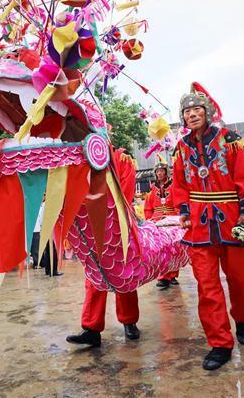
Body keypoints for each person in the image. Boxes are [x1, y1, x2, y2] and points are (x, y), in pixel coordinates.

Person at [168, 84, 244, 371]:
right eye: (187, 111)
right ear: (183, 118)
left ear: (207, 113)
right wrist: (182, 209)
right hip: (199, 224)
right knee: (207, 286)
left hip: (231, 220)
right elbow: (179, 183)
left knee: (240, 281)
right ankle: (220, 343)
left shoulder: (229, 140)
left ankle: (243, 319)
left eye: (197, 109)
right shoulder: (180, 148)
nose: (192, 114)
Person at [66, 148, 141, 348]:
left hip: (118, 224)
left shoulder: (122, 159)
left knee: (124, 272)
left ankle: (129, 321)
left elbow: (125, 192)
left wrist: (112, 217)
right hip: (91, 224)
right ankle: (91, 328)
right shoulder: (81, 160)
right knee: (94, 275)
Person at [144, 162, 179, 289]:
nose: (159, 173)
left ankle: (173, 274)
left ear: (166, 172)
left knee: (174, 248)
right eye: (157, 171)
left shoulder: (173, 186)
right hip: (157, 221)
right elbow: (148, 206)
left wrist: (179, 218)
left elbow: (178, 203)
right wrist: (149, 221)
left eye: (162, 171)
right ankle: (162, 277)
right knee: (160, 250)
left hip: (171, 219)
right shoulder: (152, 188)